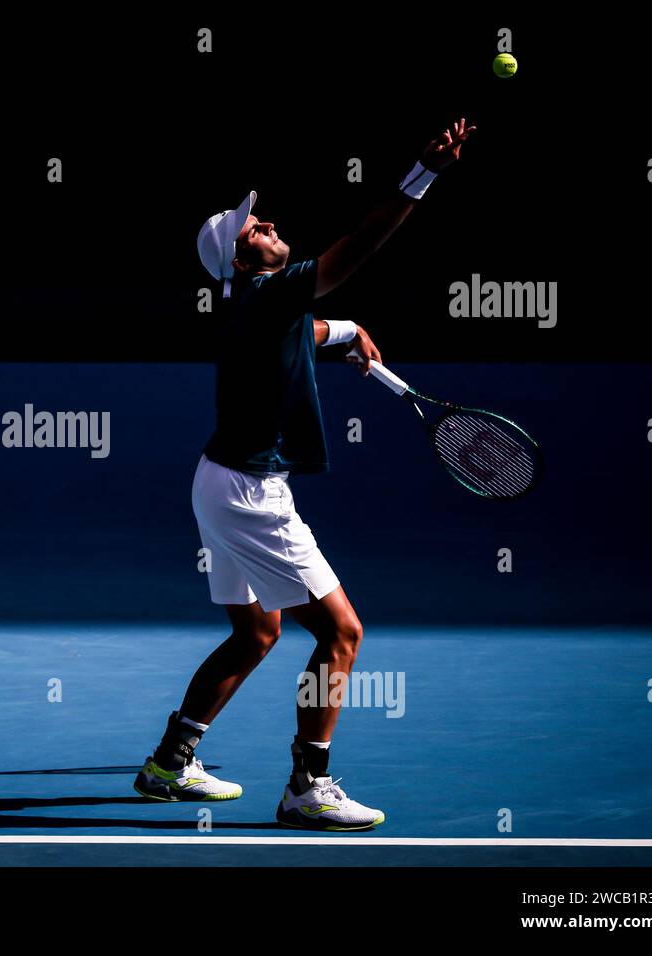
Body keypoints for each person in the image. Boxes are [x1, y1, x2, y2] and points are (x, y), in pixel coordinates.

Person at [133, 119, 475, 830]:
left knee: (257, 634)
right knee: (342, 634)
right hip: (251, 494)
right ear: (243, 257)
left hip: (218, 483)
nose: (269, 223)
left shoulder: (251, 305)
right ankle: (307, 786)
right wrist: (422, 175)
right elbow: (354, 253)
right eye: (256, 227)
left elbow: (310, 328)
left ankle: (170, 762)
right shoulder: (269, 292)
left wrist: (346, 332)